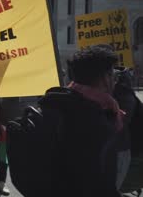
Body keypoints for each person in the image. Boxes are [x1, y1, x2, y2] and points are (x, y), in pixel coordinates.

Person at [39, 44, 124, 197]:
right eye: (113, 75)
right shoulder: (95, 121)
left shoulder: (55, 102)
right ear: (105, 78)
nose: (115, 81)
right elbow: (99, 182)